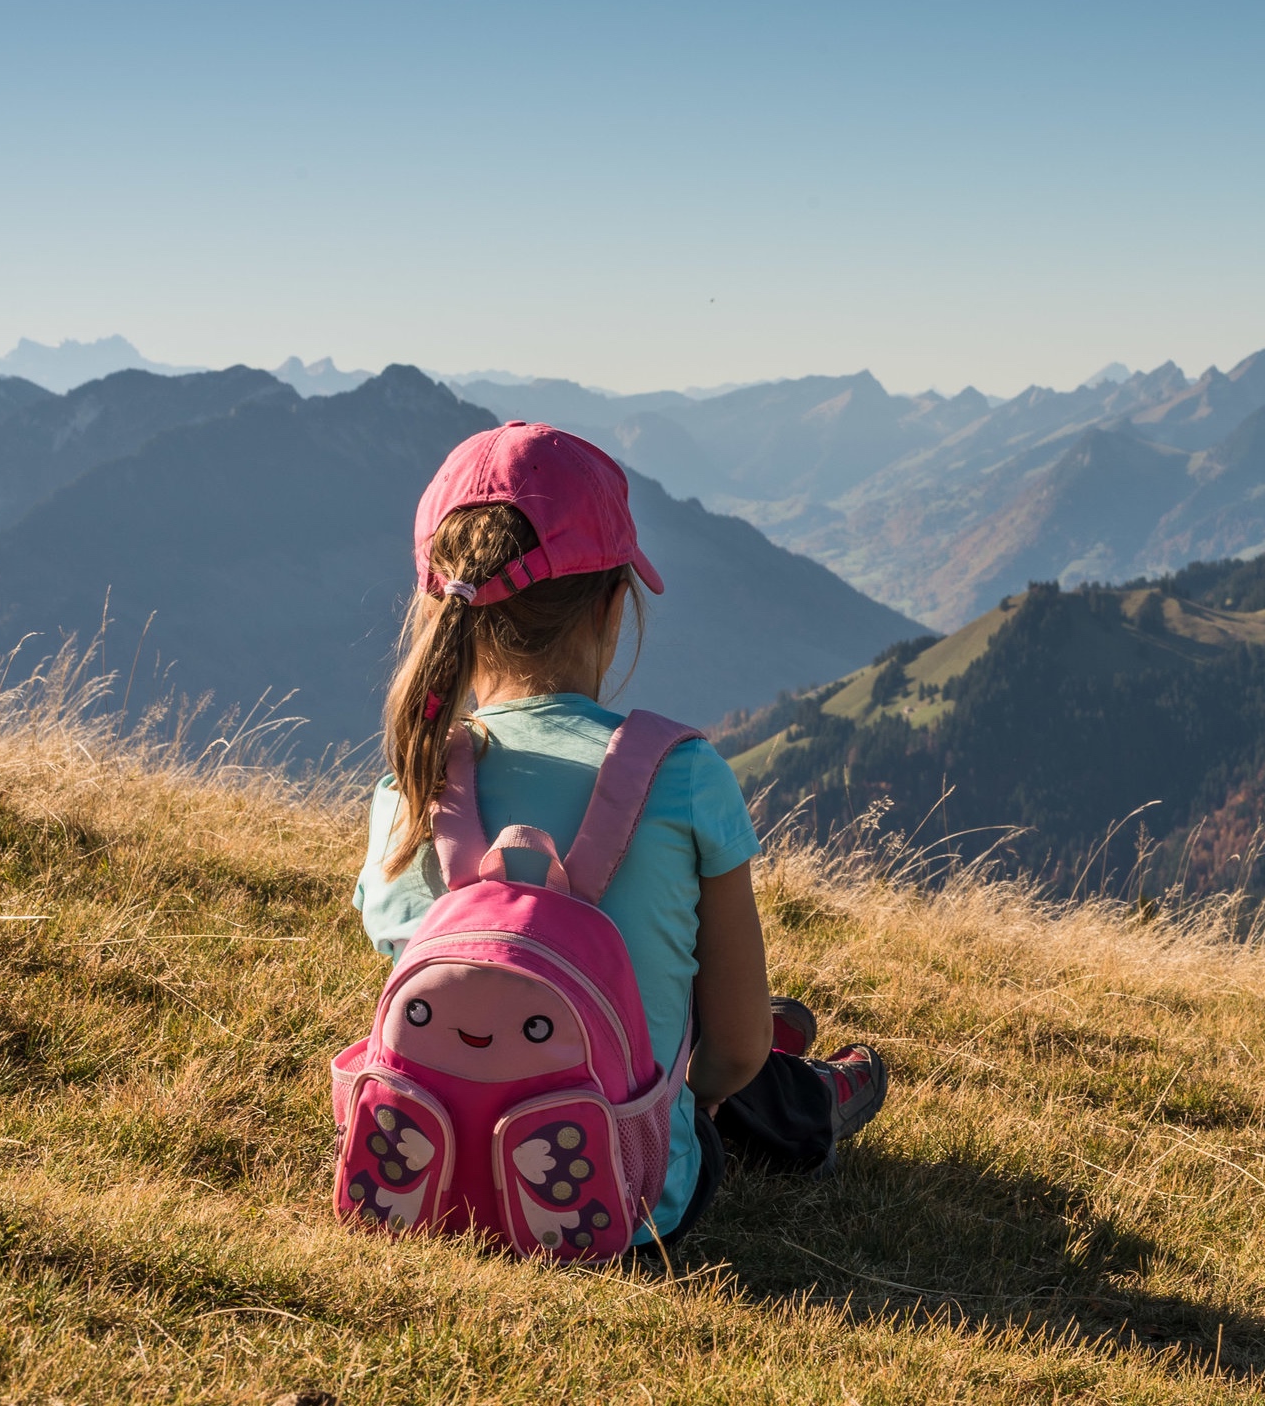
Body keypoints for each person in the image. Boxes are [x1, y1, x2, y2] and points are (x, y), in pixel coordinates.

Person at [353, 420, 886, 1249]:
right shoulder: (681, 774)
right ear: (612, 604)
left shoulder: (412, 784)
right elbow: (735, 1055)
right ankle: (811, 1099)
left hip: (427, 1181)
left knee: (664, 1010)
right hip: (632, 1201)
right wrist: (694, 1093)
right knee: (717, 1040)